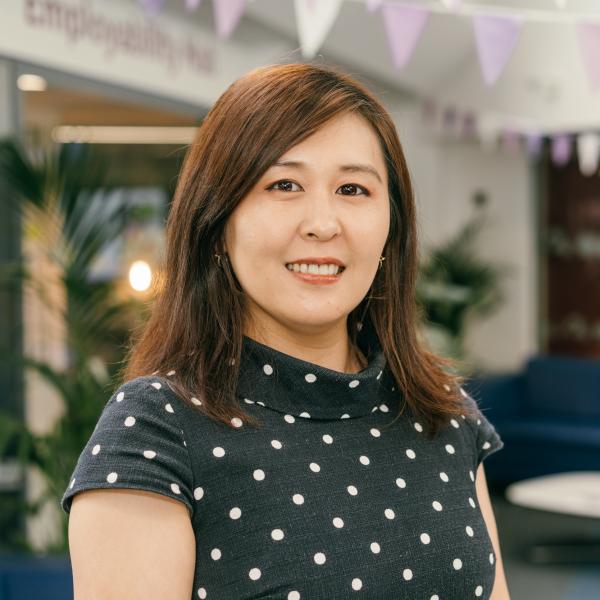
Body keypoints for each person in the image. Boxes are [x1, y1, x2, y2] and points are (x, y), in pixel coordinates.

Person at [61, 62, 510, 600]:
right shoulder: (156, 432)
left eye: (352, 188)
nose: (323, 222)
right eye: (284, 184)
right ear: (218, 222)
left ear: (392, 224)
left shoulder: (442, 411)